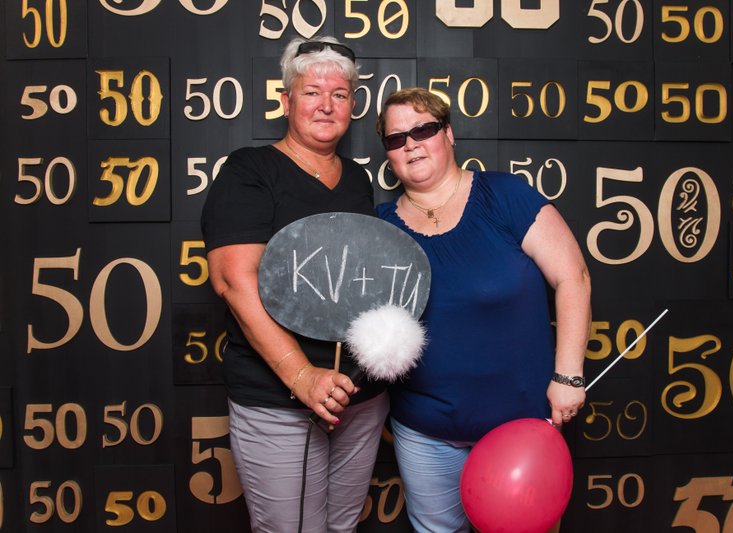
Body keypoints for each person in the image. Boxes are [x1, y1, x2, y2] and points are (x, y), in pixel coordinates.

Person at [374, 88, 592, 533]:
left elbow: (574, 277)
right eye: (396, 139)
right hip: (424, 434)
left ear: (449, 133)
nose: (411, 144)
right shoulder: (378, 226)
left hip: (521, 428)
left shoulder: (504, 195)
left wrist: (569, 375)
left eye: (423, 130)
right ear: (389, 154)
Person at [200, 37, 388, 533]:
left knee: (341, 526)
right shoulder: (250, 171)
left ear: (353, 105)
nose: (326, 105)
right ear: (286, 101)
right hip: (278, 399)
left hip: (359, 399)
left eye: (340, 94)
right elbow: (233, 280)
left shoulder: (357, 180)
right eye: (312, 92)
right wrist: (302, 375)